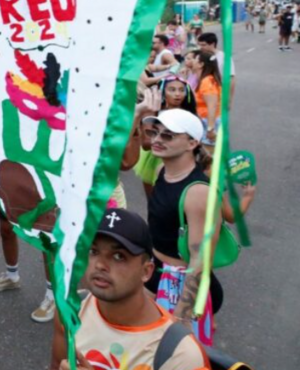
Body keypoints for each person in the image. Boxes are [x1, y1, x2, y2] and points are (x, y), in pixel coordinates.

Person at [142, 109, 252, 347]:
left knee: (170, 354)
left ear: (192, 142)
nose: (158, 139)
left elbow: (200, 259)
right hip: (155, 272)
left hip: (179, 285)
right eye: (155, 132)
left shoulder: (198, 192)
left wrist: (182, 314)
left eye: (168, 135)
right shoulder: (162, 170)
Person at [51, 208, 211, 370]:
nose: (100, 265)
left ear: (146, 271)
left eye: (119, 256)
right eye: (93, 251)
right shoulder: (71, 309)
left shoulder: (180, 356)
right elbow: (57, 364)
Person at [189, 51, 222, 149]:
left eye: (195, 59)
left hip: (209, 122)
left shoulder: (207, 82)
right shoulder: (204, 80)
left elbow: (212, 106)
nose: (192, 61)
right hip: (204, 121)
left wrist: (210, 129)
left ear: (201, 64)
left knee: (209, 154)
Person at [196, 33, 235, 105]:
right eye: (199, 45)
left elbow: (230, 79)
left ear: (213, 44)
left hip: (217, 94)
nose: (200, 47)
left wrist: (229, 98)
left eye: (203, 45)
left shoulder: (224, 57)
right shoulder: (199, 56)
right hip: (201, 95)